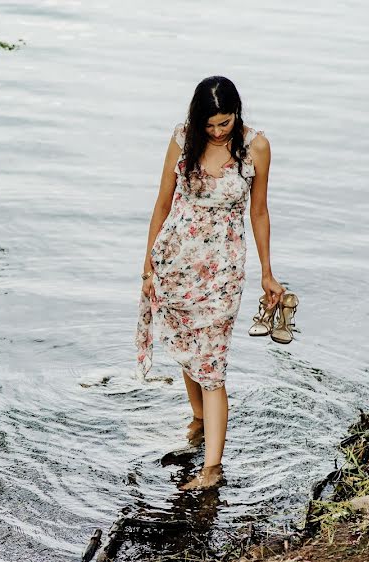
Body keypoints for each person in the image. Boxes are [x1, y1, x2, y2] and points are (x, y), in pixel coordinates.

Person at [134, 76, 285, 490]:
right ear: (196, 119)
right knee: (186, 347)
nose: (218, 132)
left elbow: (259, 212)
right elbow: (162, 203)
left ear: (237, 113)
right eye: (211, 125)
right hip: (176, 260)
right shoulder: (182, 138)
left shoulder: (256, 146)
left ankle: (211, 470)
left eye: (226, 122)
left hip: (222, 269)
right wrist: (148, 267)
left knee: (212, 365)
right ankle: (199, 419)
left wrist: (267, 272)